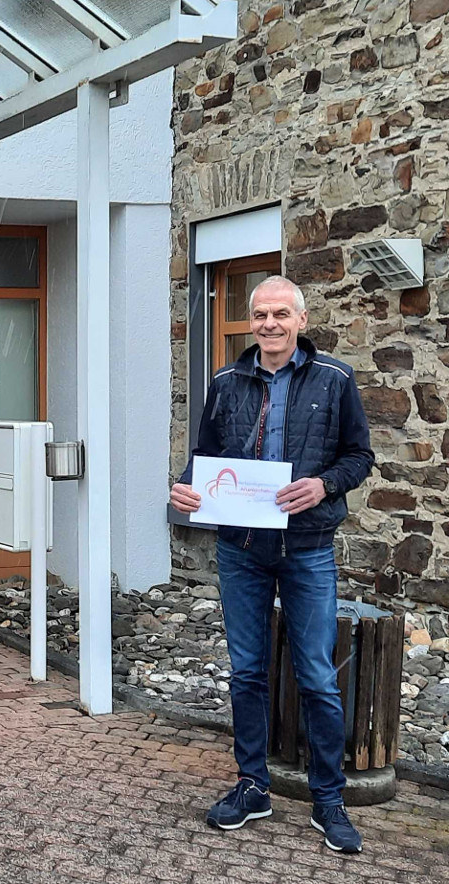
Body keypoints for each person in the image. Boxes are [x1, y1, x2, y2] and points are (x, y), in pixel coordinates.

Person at [169, 275, 373, 853]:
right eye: (260, 314)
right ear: (250, 322)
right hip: (242, 550)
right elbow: (204, 460)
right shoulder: (226, 382)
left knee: (316, 675)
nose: (270, 324)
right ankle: (252, 785)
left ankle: (328, 800)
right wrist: (184, 490)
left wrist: (324, 485)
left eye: (281, 314)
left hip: (308, 546)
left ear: (301, 320)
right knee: (248, 671)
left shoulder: (335, 380)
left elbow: (361, 456)